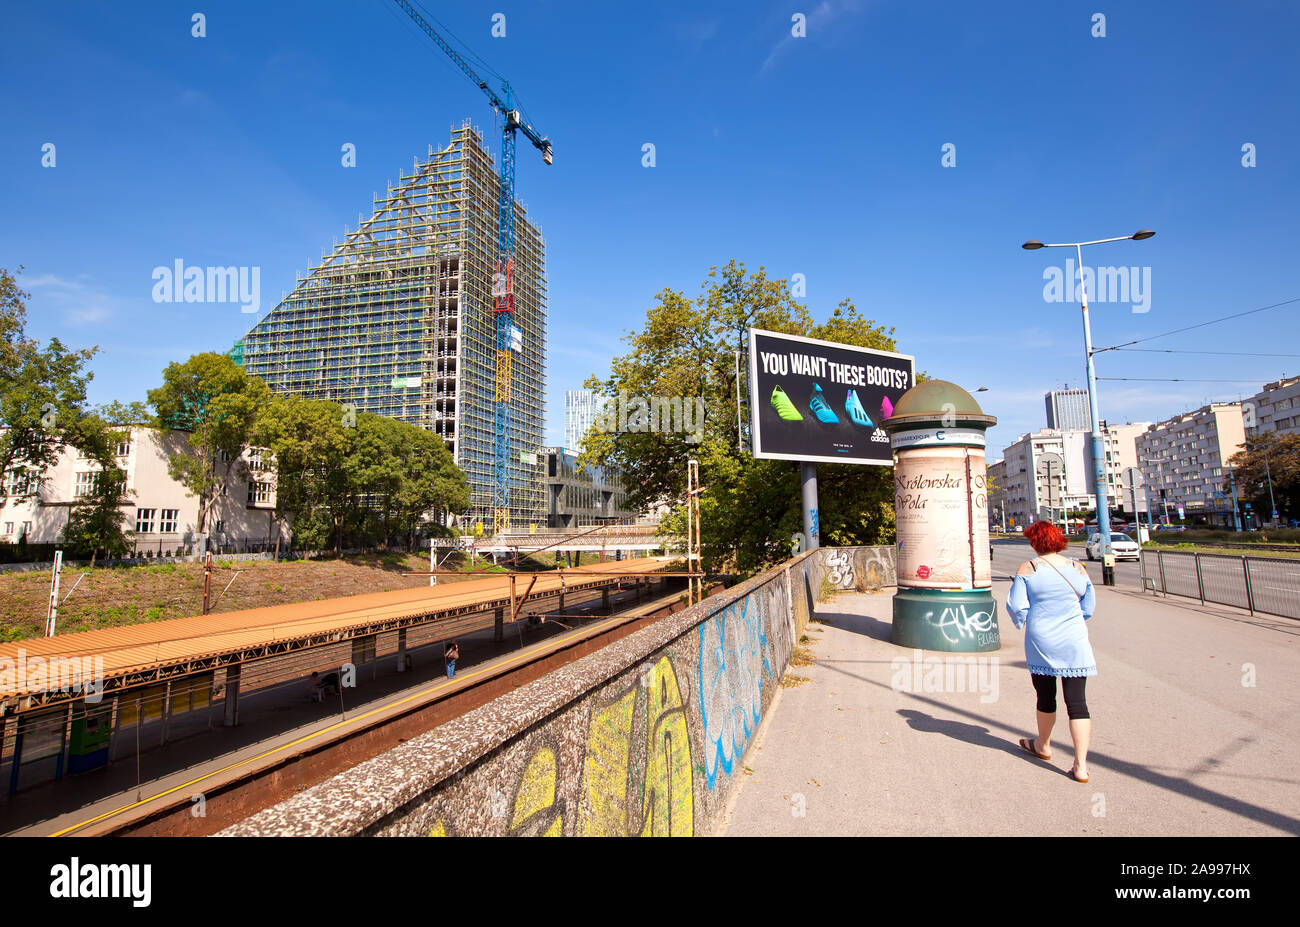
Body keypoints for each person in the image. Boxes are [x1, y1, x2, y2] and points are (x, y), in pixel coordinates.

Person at [1005, 520, 1097, 782]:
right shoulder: (1077, 567)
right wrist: (1072, 620)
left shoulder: (1029, 568)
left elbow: (1016, 605)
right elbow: (1088, 605)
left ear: (1035, 542)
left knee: (1046, 697)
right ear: (1058, 540)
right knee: (1078, 703)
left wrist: (1025, 621)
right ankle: (1080, 765)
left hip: (1041, 641)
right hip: (1074, 641)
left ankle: (1043, 745)